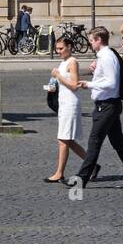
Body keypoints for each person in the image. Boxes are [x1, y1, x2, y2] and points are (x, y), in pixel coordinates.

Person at [69, 26, 123, 190]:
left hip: (107, 106)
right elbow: (107, 78)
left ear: (98, 40)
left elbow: (111, 83)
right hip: (108, 105)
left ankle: (81, 180)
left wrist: (89, 84)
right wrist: (96, 71)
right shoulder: (104, 56)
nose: (90, 43)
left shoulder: (107, 57)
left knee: (94, 142)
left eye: (91, 40)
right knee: (118, 143)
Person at [45, 34, 88, 183]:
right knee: (67, 140)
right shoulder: (63, 62)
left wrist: (58, 76)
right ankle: (92, 165)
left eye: (61, 48)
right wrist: (53, 85)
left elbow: (74, 85)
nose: (59, 51)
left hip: (70, 104)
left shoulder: (72, 62)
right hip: (63, 103)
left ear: (69, 47)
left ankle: (59, 173)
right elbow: (64, 84)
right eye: (57, 48)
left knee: (63, 139)